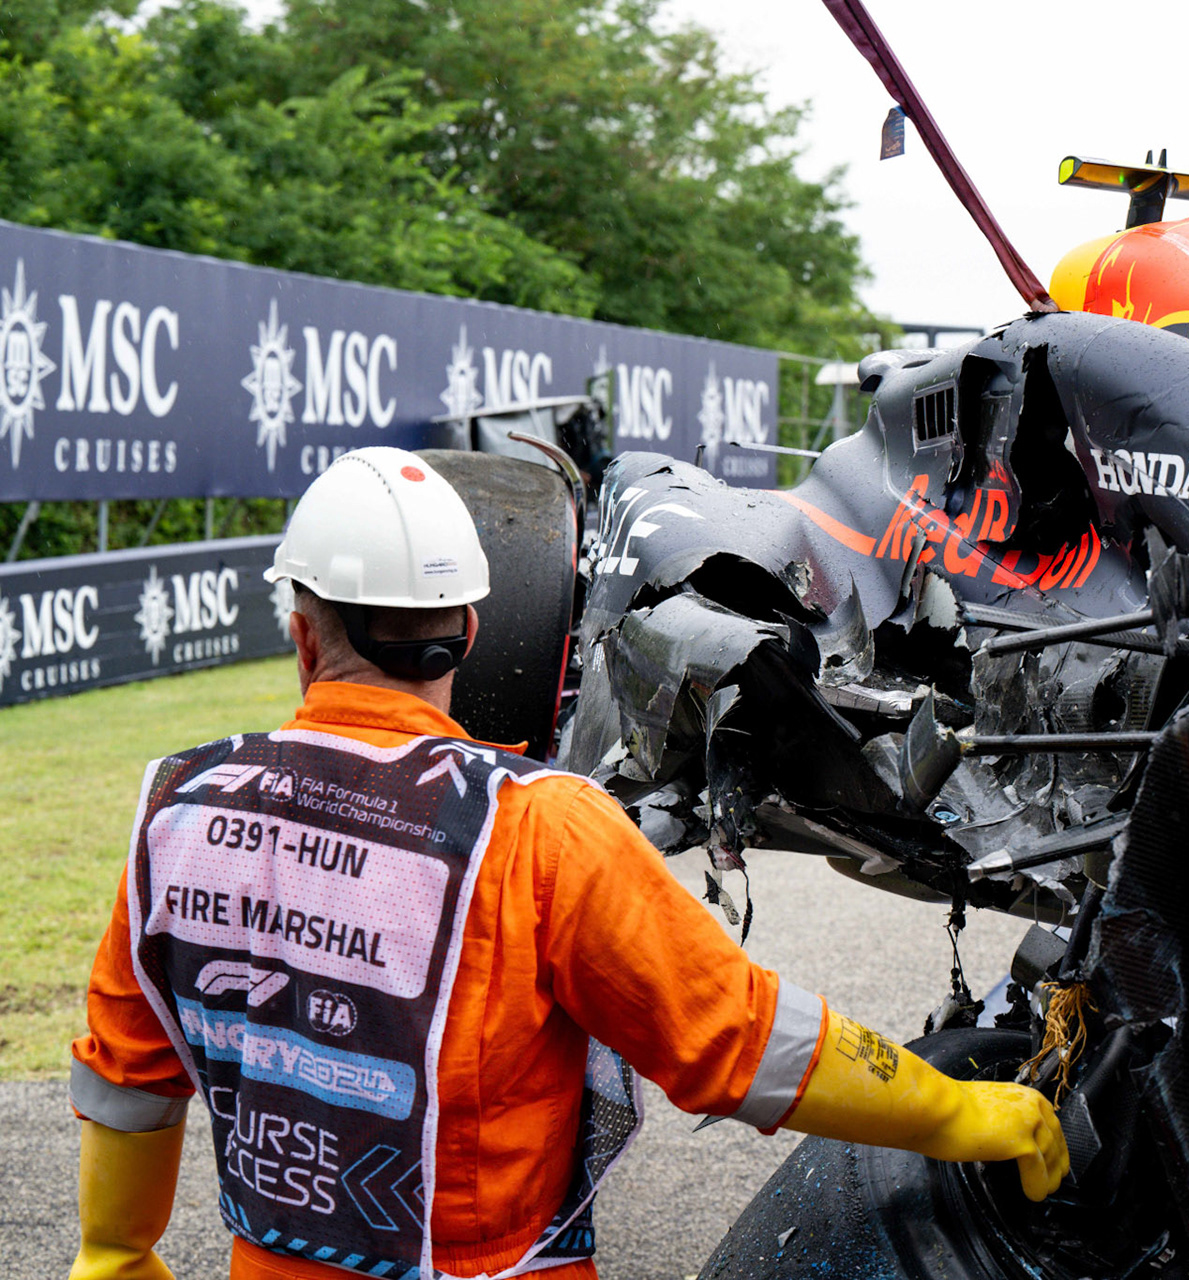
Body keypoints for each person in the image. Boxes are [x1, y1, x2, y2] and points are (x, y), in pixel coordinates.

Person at [68, 446, 1067, 1280]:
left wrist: (116, 1250)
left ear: (300, 633)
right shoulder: (541, 829)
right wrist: (962, 1109)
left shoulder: (178, 807)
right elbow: (741, 1039)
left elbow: (126, 1077)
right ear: (470, 630)